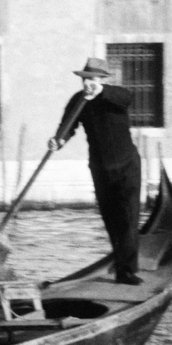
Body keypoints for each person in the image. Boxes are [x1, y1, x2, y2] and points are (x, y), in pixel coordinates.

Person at [48, 56, 142, 285]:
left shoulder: (116, 95)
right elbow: (67, 125)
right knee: (111, 219)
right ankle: (121, 264)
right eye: (85, 79)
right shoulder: (78, 101)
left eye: (93, 79)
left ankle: (127, 271)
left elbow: (127, 98)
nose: (88, 84)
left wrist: (101, 92)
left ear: (101, 79)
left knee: (128, 219)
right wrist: (58, 141)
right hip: (100, 169)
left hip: (126, 166)